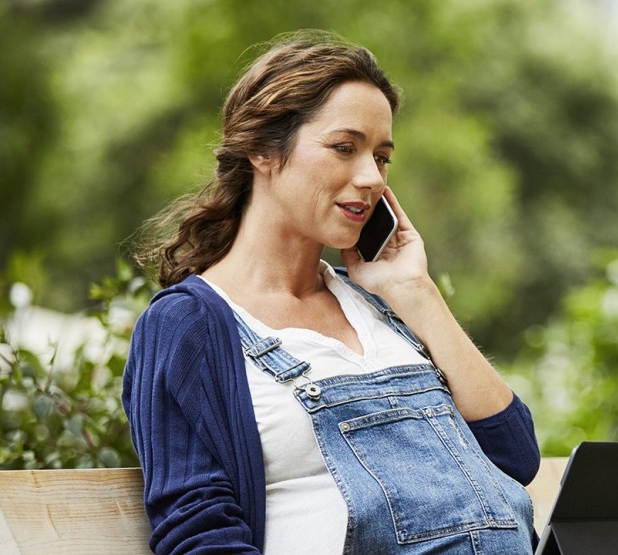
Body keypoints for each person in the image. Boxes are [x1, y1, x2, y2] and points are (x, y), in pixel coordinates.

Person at [123, 31, 540, 555]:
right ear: (262, 150)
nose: (370, 177)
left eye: (382, 157)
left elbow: (514, 457)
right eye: (345, 148)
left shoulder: (380, 306)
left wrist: (417, 294)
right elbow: (200, 533)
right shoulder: (191, 324)